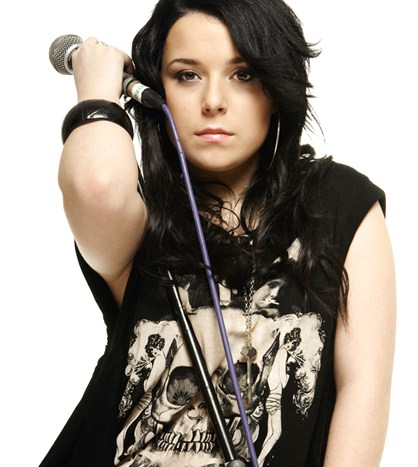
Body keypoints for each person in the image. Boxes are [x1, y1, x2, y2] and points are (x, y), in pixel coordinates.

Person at [40, 0, 396, 466]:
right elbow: (97, 184)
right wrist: (98, 96)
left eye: (242, 74)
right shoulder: (140, 217)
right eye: (187, 75)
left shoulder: (339, 205)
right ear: (156, 91)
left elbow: (363, 388)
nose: (213, 102)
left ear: (276, 87)